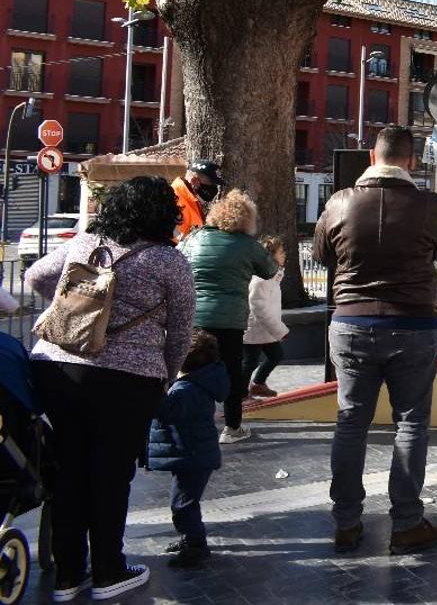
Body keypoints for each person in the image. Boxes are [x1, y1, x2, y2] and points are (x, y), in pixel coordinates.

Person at [27, 176, 195, 602]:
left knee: (69, 468)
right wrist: (167, 375)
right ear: (164, 215)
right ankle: (108, 569)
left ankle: (67, 575)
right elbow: (180, 332)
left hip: (57, 368)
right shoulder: (168, 261)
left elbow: (35, 276)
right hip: (127, 379)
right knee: (110, 474)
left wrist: (77, 305)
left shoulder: (86, 243)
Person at [314, 125, 437, 555]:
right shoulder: (429, 205)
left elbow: (321, 254)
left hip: (353, 323)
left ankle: (346, 522)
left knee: (351, 422)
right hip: (413, 323)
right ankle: (407, 523)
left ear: (373, 157)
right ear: (411, 161)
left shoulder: (339, 202)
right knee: (410, 423)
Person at [181, 189, 278, 442]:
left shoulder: (195, 239)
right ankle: (232, 427)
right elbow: (269, 269)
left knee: (191, 369)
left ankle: (188, 422)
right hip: (229, 320)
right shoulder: (247, 245)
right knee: (232, 373)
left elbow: (178, 261)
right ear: (246, 220)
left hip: (196, 318)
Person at [147, 329, 229, 568]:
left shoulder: (185, 390)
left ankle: (195, 545)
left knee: (183, 503)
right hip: (194, 453)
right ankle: (190, 539)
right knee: (185, 500)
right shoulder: (199, 382)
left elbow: (165, 411)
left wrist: (153, 390)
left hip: (192, 454)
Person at [243, 235, 288, 398]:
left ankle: (258, 384)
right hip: (254, 329)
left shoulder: (273, 276)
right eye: (281, 252)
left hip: (265, 330)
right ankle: (241, 394)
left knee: (276, 355)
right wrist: (279, 329)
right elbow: (258, 306)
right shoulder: (261, 279)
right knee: (249, 362)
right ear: (270, 255)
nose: (285, 254)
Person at [172, 160, 224, 242]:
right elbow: (174, 242)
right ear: (194, 180)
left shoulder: (182, 198)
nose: (214, 189)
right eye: (211, 183)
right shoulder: (179, 204)